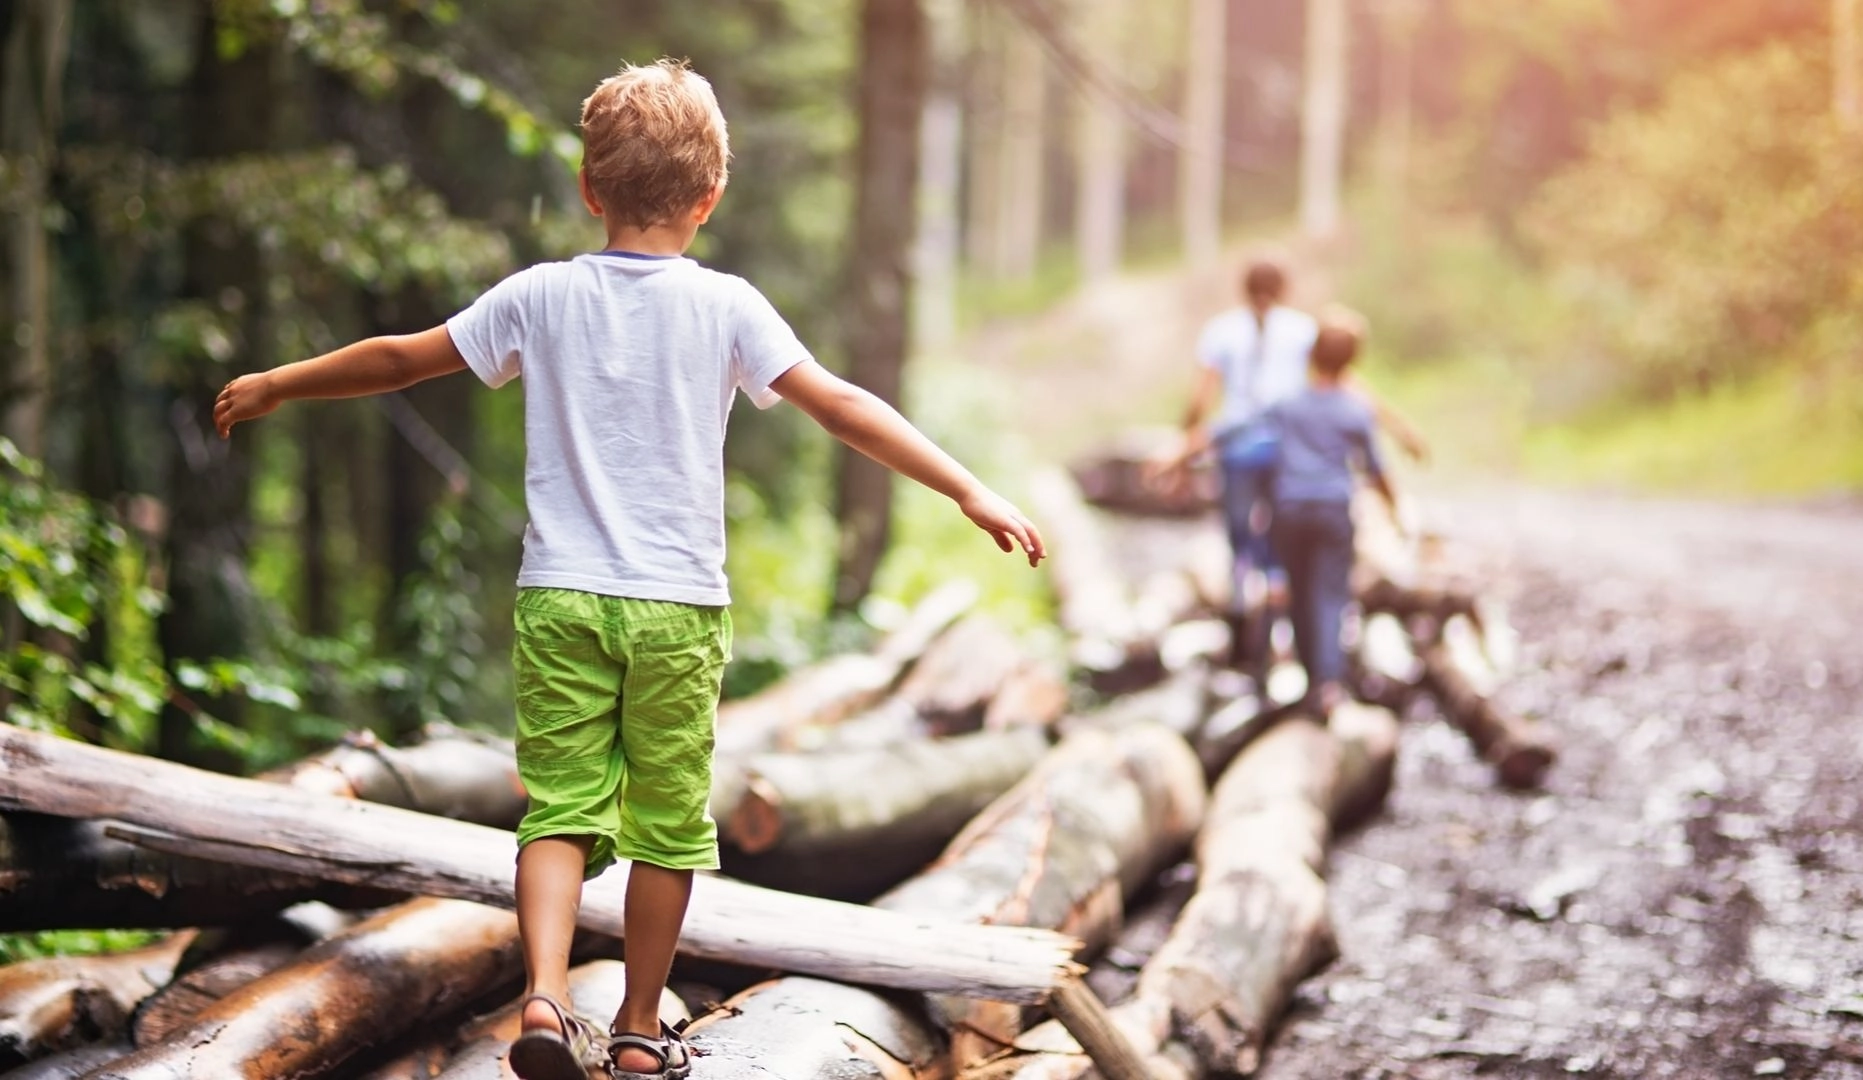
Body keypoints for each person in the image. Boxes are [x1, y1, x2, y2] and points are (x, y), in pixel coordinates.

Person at [212, 59, 1045, 1080]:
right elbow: (844, 405)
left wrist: (276, 383)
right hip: (679, 610)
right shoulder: (730, 308)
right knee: (667, 826)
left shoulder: (543, 296)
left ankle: (547, 1000)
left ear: (588, 189)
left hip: (562, 597)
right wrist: (968, 488)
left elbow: (400, 356)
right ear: (711, 196)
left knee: (559, 809)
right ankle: (644, 1029)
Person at [1174, 260, 1318, 672]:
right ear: (1285, 288)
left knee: (1239, 537)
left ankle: (1242, 632)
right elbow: (1321, 384)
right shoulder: (1303, 330)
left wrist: (1187, 445)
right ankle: (1280, 630)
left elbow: (1201, 396)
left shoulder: (1222, 330)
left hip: (1236, 449)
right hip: (1286, 450)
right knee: (1278, 538)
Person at [1262, 307, 1396, 716]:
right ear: (1352, 361)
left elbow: (1252, 444)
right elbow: (1376, 469)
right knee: (1330, 595)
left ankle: (1308, 678)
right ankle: (1327, 684)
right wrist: (1396, 513)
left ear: (1310, 356)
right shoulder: (1355, 409)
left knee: (1299, 594)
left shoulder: (1287, 404)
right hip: (1332, 511)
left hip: (1288, 511)